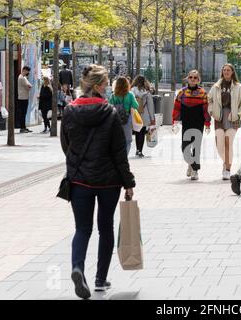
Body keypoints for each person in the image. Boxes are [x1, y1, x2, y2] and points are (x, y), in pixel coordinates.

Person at [60, 64, 136, 299]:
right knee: (105, 228)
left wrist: (77, 166)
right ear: (97, 86)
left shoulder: (70, 111)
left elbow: (66, 145)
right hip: (107, 181)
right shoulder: (109, 112)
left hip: (80, 180)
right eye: (105, 83)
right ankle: (100, 280)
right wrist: (128, 182)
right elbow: (118, 152)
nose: (107, 87)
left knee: (82, 229)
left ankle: (77, 268)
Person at [208, 63, 241, 180]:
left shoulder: (238, 87)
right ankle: (226, 162)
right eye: (224, 70)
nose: (226, 72)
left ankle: (227, 169)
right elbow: (209, 99)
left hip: (233, 117)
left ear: (232, 72)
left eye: (228, 70)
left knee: (228, 142)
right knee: (219, 144)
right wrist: (211, 111)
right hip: (219, 117)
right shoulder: (216, 86)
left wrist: (238, 114)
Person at [172, 70, 211, 181]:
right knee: (185, 147)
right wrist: (174, 121)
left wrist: (207, 123)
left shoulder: (203, 93)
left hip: (199, 122)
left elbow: (206, 110)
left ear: (198, 80)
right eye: (191, 77)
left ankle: (195, 170)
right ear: (187, 78)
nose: (193, 79)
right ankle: (191, 163)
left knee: (196, 146)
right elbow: (176, 108)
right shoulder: (181, 93)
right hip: (186, 122)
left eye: (195, 77)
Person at [109, 76, 139, 154]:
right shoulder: (130, 95)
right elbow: (136, 105)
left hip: (115, 119)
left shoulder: (113, 95)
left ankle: (118, 155)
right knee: (128, 140)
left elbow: (109, 106)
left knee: (117, 139)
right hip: (127, 118)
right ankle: (125, 156)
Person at [131, 75, 156, 158]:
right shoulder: (147, 92)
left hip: (135, 115)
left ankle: (137, 150)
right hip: (144, 116)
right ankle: (140, 151)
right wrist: (152, 118)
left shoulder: (132, 91)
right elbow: (150, 106)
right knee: (142, 133)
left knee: (137, 133)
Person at [17, 66, 33, 133]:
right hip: (22, 97)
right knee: (23, 113)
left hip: (24, 97)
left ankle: (24, 127)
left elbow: (30, 85)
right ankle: (22, 128)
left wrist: (29, 86)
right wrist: (29, 86)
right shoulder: (21, 78)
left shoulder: (24, 77)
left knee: (24, 113)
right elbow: (28, 87)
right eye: (27, 71)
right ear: (24, 70)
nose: (28, 72)